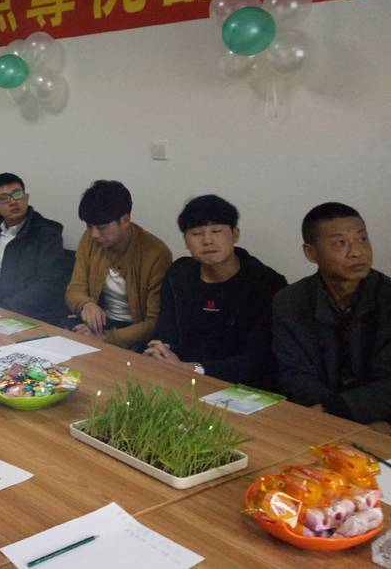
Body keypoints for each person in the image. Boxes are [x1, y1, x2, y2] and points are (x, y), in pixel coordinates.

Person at [144, 195, 287, 386]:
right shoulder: (178, 275)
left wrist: (194, 369)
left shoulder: (266, 283)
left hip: (241, 387)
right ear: (186, 241)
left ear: (235, 234)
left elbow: (260, 360)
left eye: (216, 231)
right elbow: (166, 331)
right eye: (196, 233)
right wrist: (160, 351)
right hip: (179, 376)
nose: (207, 240)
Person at [273, 203, 391, 425]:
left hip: (381, 420)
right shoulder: (290, 301)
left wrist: (340, 409)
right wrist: (331, 413)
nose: (356, 252)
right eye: (340, 243)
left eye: (362, 239)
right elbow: (294, 374)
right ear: (311, 253)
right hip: (320, 416)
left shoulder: (386, 297)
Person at [65, 180, 171, 348]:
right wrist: (86, 304)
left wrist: (106, 338)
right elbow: (75, 289)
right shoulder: (90, 239)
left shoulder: (156, 253)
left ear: (125, 220)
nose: (94, 234)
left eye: (102, 227)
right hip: (97, 325)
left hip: (132, 334)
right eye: (89, 226)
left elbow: (152, 323)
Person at [0, 172, 70, 323]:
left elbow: (47, 285)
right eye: (4, 198)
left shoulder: (47, 233)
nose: (13, 201)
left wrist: (2, 307)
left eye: (17, 194)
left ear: (26, 197)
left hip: (27, 313)